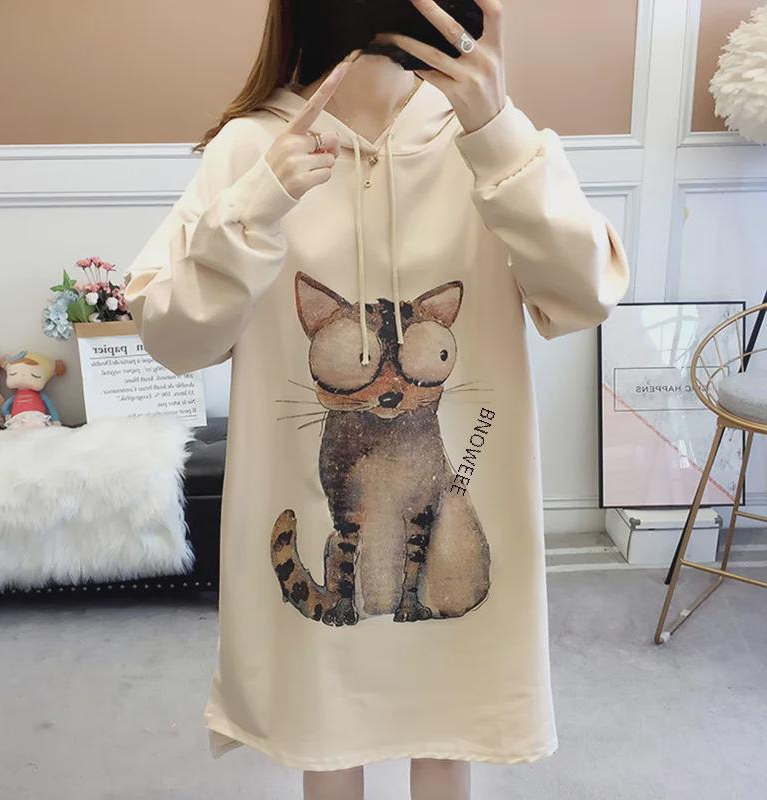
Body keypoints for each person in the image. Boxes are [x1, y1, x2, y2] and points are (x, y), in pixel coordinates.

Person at [123, 1, 630, 797]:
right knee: (327, 735)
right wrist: (256, 205)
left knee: (450, 720)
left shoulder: (487, 136)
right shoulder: (253, 149)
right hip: (315, 513)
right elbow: (172, 337)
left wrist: (497, 133)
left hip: (450, 536)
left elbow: (584, 295)